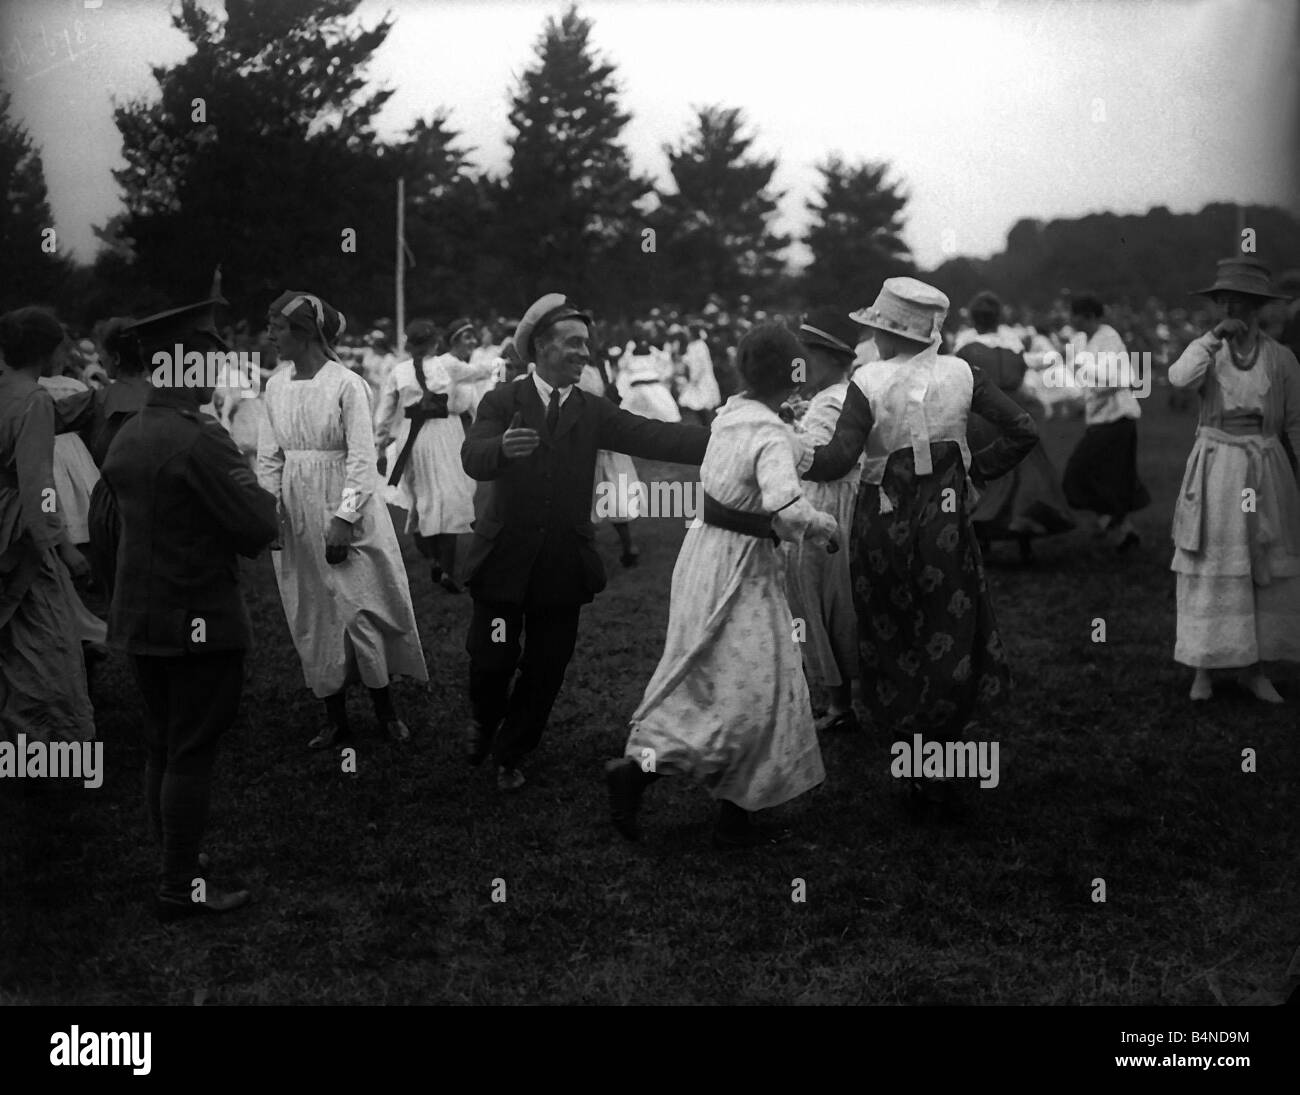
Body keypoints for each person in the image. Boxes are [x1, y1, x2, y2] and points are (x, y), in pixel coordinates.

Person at [460, 293, 710, 792]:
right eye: (573, 343)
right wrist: (501, 449)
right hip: (504, 560)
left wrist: (732, 433)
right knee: (492, 658)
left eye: (586, 344)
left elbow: (656, 436)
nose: (584, 352)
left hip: (563, 564)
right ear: (541, 347)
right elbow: (473, 455)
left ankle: (512, 751)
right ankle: (485, 719)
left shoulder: (592, 410)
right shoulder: (502, 401)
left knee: (547, 666)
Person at [604, 323, 837, 846]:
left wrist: (790, 431)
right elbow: (787, 509)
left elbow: (763, 461)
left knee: (710, 673)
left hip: (701, 557)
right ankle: (655, 777)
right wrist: (826, 527)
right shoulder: (769, 434)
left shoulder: (730, 416)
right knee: (757, 680)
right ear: (795, 377)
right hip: (743, 572)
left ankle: (731, 808)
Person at [797, 279, 1038, 763]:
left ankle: (908, 731)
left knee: (891, 624)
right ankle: (943, 732)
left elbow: (837, 460)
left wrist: (786, 446)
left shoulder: (867, 381)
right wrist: (973, 472)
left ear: (889, 334)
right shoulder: (963, 373)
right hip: (944, 522)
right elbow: (1022, 429)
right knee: (947, 619)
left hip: (882, 522)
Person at [98, 298, 278, 920]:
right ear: (185, 367)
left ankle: (174, 857)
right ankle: (180, 885)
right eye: (208, 366)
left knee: (161, 742)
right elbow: (258, 526)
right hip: (197, 614)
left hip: (140, 616)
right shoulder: (200, 437)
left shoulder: (130, 430)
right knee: (192, 748)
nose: (215, 378)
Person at [258, 291, 427, 749]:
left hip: (344, 502)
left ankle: (385, 710)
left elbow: (361, 458)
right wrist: (269, 507)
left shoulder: (347, 384)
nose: (270, 335)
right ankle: (334, 717)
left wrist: (344, 518)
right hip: (297, 507)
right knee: (313, 609)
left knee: (362, 603)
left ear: (305, 332)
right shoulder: (275, 386)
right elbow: (269, 456)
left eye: (277, 326)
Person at [1168, 259, 1300, 703]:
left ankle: (1254, 669)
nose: (1230, 309)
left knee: (1261, 563)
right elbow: (1178, 379)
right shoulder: (1207, 351)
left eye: (1240, 302)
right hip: (1218, 471)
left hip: (1264, 467)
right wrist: (1211, 339)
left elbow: (1296, 422)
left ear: (1257, 307)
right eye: (1224, 301)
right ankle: (1203, 668)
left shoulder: (1281, 358)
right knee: (1213, 561)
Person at [0, 307, 96, 745]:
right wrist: (65, 548)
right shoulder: (33, 400)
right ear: (49, 351)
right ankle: (44, 746)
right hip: (17, 530)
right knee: (45, 643)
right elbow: (38, 485)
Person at [782, 308, 864, 733]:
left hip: (826, 502)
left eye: (808, 356)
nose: (801, 365)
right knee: (833, 598)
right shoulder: (840, 395)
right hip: (841, 500)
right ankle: (842, 695)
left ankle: (838, 702)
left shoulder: (831, 400)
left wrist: (781, 434)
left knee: (819, 600)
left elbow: (817, 459)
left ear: (832, 359)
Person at [374, 318, 494, 594]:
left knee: (421, 497)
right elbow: (480, 372)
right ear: (436, 343)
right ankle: (445, 567)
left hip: (412, 437)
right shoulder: (447, 365)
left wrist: (380, 444)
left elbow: (385, 412)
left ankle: (435, 560)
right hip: (444, 434)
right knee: (448, 497)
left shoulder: (398, 370)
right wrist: (505, 364)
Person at [960, 292, 1075, 562]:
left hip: (981, 416)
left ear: (974, 320)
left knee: (983, 474)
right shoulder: (1014, 350)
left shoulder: (966, 350)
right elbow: (1022, 384)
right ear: (998, 318)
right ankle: (1024, 540)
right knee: (1024, 474)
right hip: (1014, 414)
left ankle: (983, 541)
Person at [1061, 294, 1149, 550]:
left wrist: (1092, 391)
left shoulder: (1109, 338)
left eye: (1075, 314)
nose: (1070, 319)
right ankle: (1120, 528)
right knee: (1099, 477)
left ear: (1088, 316)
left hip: (1118, 418)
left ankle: (1115, 524)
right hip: (1098, 419)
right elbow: (1075, 375)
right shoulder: (1078, 341)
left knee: (1095, 475)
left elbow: (1123, 379)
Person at [579, 346, 642, 567]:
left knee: (589, 490)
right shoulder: (601, 366)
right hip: (607, 433)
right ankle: (627, 545)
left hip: (591, 435)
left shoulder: (583, 372)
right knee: (612, 488)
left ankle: (595, 547)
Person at [677, 323, 722, 427]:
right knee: (697, 404)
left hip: (702, 379)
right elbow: (690, 360)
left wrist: (694, 379)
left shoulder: (700, 345)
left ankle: (710, 426)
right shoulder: (692, 346)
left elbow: (700, 364)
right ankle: (706, 426)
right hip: (696, 379)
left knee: (704, 404)